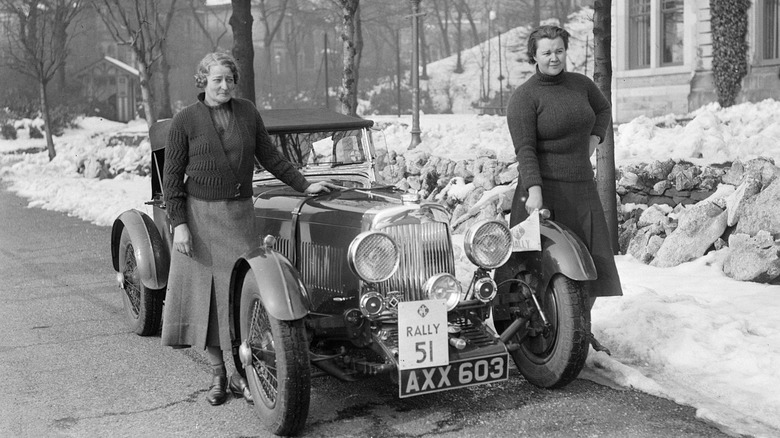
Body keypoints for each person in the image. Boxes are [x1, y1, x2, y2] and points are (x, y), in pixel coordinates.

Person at [161, 52, 338, 406]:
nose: (224, 86)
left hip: (241, 217)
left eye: (229, 79)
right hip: (200, 220)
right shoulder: (185, 121)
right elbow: (171, 178)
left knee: (243, 297)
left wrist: (304, 185)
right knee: (209, 302)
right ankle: (218, 375)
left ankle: (246, 372)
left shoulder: (247, 112)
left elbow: (271, 157)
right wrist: (179, 224)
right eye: (216, 80)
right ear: (203, 82)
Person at [505, 25, 622, 350]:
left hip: (582, 190)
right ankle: (543, 339)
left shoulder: (581, 85)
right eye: (546, 52)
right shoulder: (524, 97)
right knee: (540, 271)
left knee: (593, 268)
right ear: (534, 56)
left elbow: (603, 109)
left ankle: (577, 330)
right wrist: (535, 192)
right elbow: (525, 150)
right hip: (542, 193)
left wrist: (594, 139)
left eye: (558, 50)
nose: (554, 57)